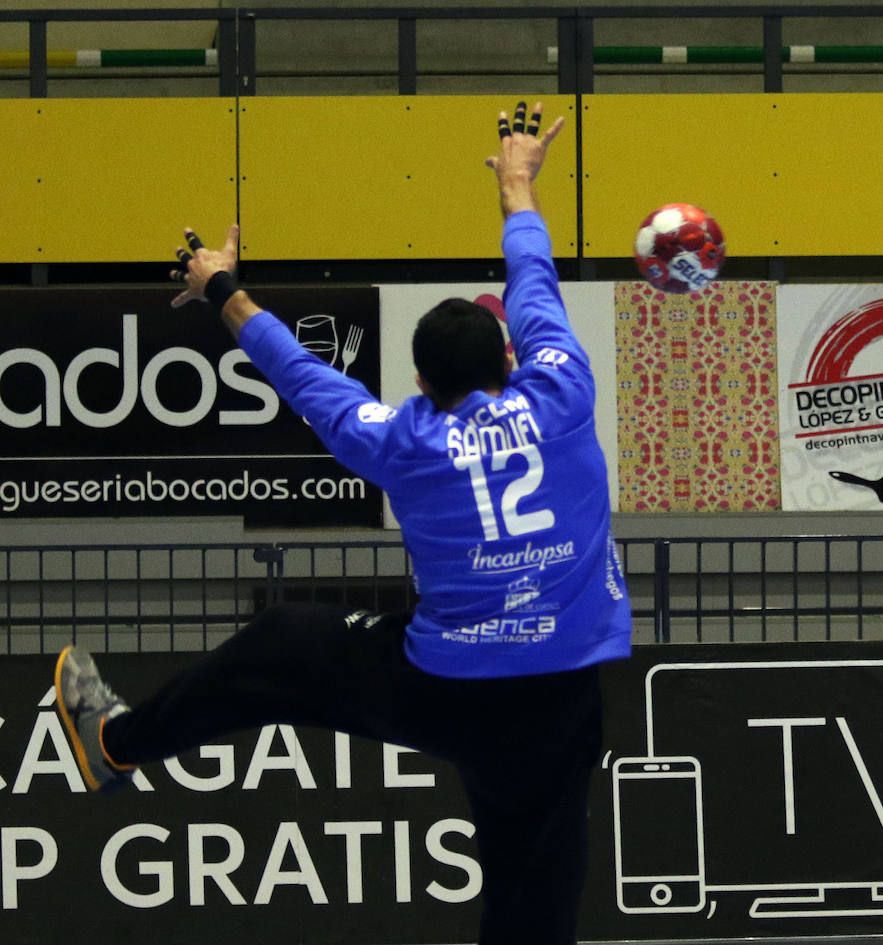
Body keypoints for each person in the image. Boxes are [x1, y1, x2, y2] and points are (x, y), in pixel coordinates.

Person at [53, 101, 631, 945]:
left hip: (446, 690)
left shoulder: (404, 441)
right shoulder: (564, 389)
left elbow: (302, 374)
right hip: (561, 696)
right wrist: (516, 181)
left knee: (283, 640)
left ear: (421, 382)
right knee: (530, 905)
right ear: (511, 359)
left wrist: (221, 285)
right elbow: (532, 276)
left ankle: (117, 744)